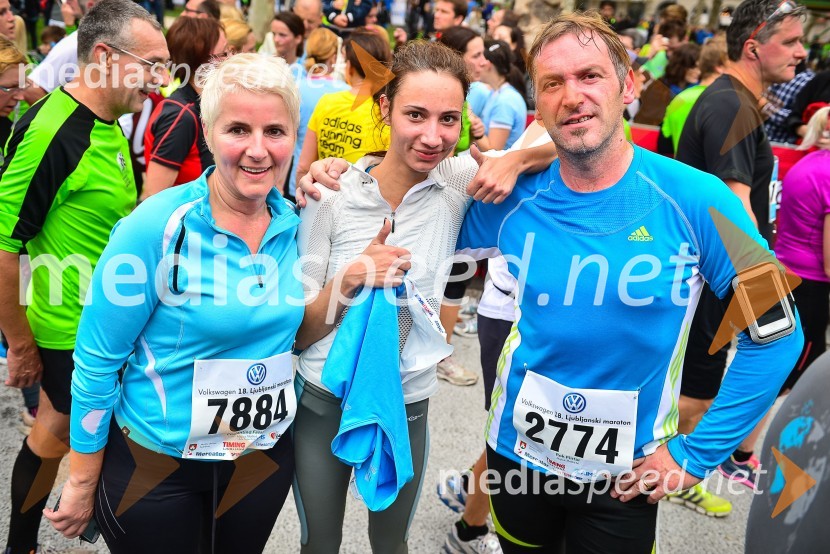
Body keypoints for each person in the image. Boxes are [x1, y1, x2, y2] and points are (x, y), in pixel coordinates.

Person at [451, 11, 801, 551]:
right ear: (537, 106)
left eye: (590, 76)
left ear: (628, 85)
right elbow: (402, 218)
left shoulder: (699, 199)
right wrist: (330, 178)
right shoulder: (512, 196)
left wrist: (694, 455)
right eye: (553, 83)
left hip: (626, 478)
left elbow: (779, 332)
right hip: (516, 455)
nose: (572, 96)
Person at [292, 39, 553, 554]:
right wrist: (353, 276)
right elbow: (301, 333)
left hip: (406, 400)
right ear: (385, 109)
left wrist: (516, 159)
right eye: (416, 114)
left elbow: (565, 141)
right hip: (324, 397)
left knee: (392, 545)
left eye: (449, 119)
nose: (433, 136)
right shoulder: (330, 194)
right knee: (318, 544)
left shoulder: (458, 180)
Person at [44, 53, 300, 552]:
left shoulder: (297, 222)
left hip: (260, 459)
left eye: (275, 130)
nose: (257, 150)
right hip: (157, 467)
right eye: (237, 129)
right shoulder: (156, 227)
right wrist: (80, 481)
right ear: (206, 133)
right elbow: (96, 364)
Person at [0, 2, 169, 553]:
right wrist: (20, 344)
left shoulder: (109, 121)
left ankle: (27, 540)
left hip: (107, 321)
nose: (162, 78)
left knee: (56, 436)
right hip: (69, 330)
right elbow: (3, 248)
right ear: (104, 57)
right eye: (152, 63)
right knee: (59, 437)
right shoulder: (53, 130)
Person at [675, 0, 807, 500]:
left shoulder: (737, 100)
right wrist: (767, 302)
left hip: (716, 281)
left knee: (698, 391)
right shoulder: (731, 103)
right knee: (694, 396)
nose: (801, 54)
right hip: (715, 282)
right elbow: (734, 210)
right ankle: (666, 476)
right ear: (754, 47)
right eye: (791, 42)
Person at [772, 106, 830, 387]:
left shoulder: (812, 162)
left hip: (785, 274)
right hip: (808, 284)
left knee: (780, 373)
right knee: (799, 378)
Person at [142, 16, 227, 199]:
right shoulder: (181, 115)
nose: (230, 60)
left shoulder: (203, 105)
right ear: (202, 60)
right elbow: (153, 196)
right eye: (224, 54)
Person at [295, 28, 392, 185]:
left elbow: (303, 167)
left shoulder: (326, 102)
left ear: (350, 67)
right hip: (365, 202)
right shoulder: (387, 112)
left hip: (322, 196)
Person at [289, 27, 347, 200]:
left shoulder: (294, 89)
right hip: (336, 179)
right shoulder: (346, 92)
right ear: (334, 57)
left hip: (297, 179)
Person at [658, 37, 727, 156]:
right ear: (720, 66)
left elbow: (664, 145)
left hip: (680, 170)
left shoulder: (681, 97)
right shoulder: (728, 101)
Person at [472, 39, 527, 151]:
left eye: (479, 57)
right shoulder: (496, 93)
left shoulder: (505, 100)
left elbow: (494, 151)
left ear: (487, 65)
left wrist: (470, 117)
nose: (476, 66)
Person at [634, 42, 700, 126]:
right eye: (694, 67)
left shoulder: (696, 91)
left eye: (700, 67)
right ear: (681, 66)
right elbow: (647, 125)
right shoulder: (659, 89)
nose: (698, 72)